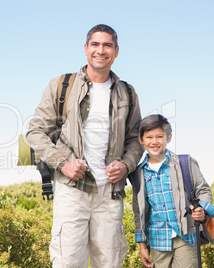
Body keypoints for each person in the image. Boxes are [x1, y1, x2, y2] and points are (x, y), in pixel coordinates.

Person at [26, 24, 143, 268]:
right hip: (71, 192)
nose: (101, 50)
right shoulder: (61, 85)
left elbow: (136, 140)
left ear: (116, 51)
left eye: (107, 45)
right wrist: (63, 163)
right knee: (68, 263)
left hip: (110, 194)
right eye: (95, 44)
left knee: (110, 264)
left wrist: (126, 165)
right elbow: (35, 132)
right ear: (86, 49)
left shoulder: (128, 93)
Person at [132, 114, 214, 268]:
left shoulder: (184, 163)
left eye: (160, 136)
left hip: (186, 235)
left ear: (169, 137)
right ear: (141, 140)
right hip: (157, 240)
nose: (154, 142)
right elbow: (139, 212)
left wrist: (202, 209)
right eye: (149, 137)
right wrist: (142, 245)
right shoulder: (137, 174)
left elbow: (204, 190)